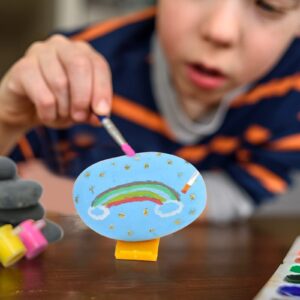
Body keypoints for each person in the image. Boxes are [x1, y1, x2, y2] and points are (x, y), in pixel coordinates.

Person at [0, 0, 300, 223]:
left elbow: (243, 190)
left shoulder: (293, 94)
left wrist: (73, 199)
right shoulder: (70, 73)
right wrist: (7, 119)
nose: (220, 30)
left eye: (268, 5)